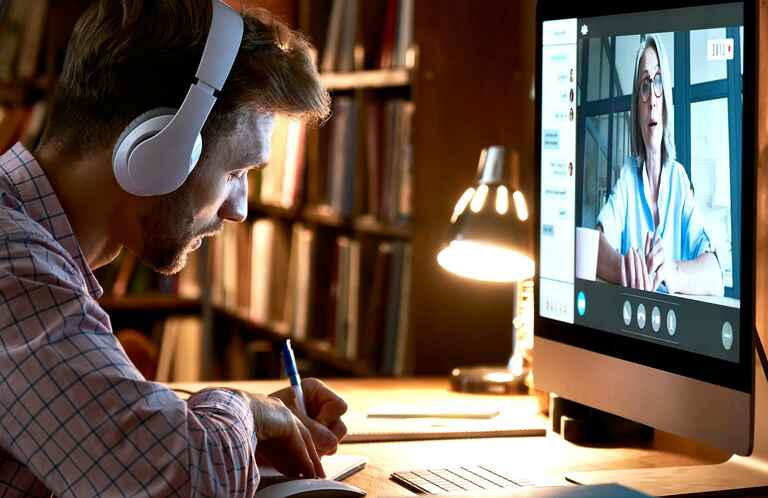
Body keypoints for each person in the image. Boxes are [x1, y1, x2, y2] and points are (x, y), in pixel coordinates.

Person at [0, 1, 347, 496]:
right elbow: (181, 483)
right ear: (156, 150)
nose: (239, 210)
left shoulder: (31, 246)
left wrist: (224, 424)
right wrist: (242, 411)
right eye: (235, 172)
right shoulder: (14, 264)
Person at [595, 34, 722, 295]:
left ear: (666, 103)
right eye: (644, 85)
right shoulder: (628, 175)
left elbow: (715, 275)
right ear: (637, 107)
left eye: (658, 82)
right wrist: (628, 269)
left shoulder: (679, 179)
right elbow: (595, 245)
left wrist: (673, 271)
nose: (652, 98)